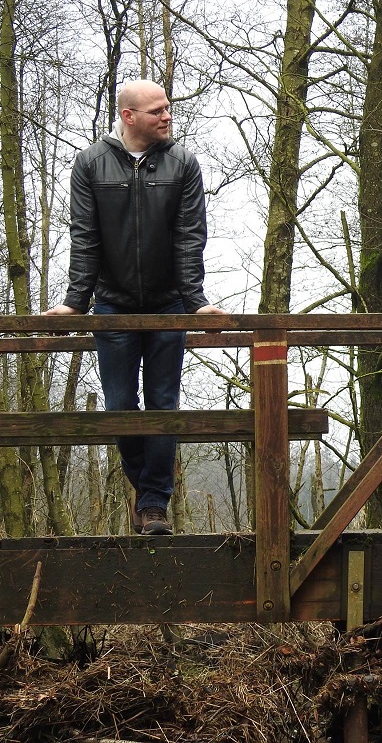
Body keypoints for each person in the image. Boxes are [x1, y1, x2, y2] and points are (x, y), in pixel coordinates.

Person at [44, 79, 226, 535]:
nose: (167, 116)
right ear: (128, 117)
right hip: (113, 305)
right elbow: (85, 237)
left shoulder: (183, 163)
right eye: (156, 111)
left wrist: (196, 302)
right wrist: (74, 303)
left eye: (168, 107)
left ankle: (153, 505)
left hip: (169, 304)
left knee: (164, 404)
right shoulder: (90, 164)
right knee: (120, 406)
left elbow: (190, 237)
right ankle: (144, 488)